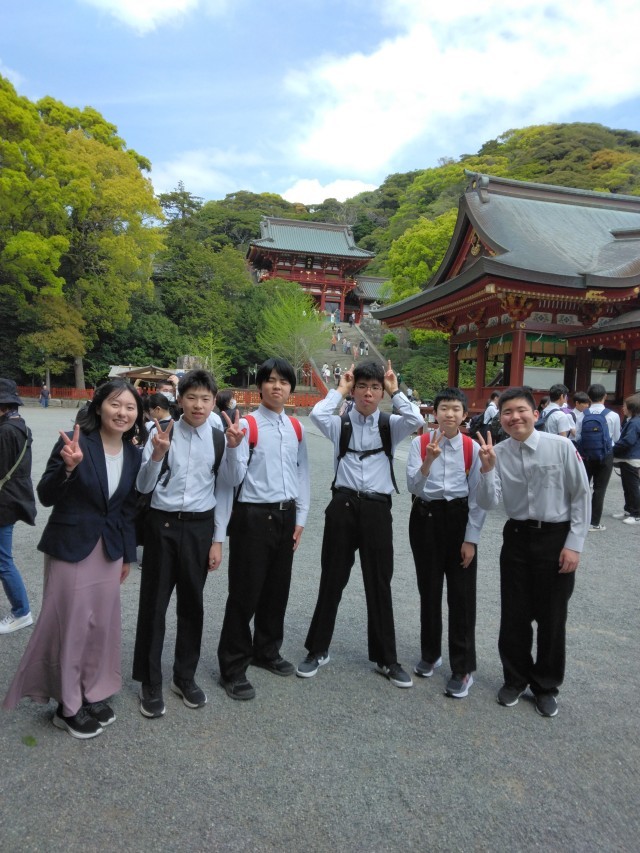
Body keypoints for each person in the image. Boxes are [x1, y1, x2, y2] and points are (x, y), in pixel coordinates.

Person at [3, 379, 146, 739]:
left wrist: (127, 555)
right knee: (70, 626)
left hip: (109, 549)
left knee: (101, 627)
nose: (123, 412)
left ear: (137, 414)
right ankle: (67, 707)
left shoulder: (133, 453)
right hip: (71, 546)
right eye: (115, 404)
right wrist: (67, 468)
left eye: (130, 407)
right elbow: (46, 494)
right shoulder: (74, 441)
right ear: (99, 407)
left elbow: (127, 510)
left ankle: (91, 691)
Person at [296, 360, 423, 688]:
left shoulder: (390, 424)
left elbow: (417, 419)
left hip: (377, 509)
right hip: (343, 505)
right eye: (362, 386)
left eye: (375, 388)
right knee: (332, 578)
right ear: (354, 391)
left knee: (379, 582)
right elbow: (317, 414)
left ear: (382, 392)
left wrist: (395, 391)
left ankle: (386, 658)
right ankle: (317, 650)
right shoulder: (340, 424)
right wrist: (339, 389)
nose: (368, 393)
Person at [132, 370, 243, 719]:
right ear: (179, 400)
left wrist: (217, 540)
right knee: (154, 604)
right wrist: (156, 455)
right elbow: (143, 486)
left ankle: (184, 676)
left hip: (199, 527)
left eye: (205, 399)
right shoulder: (161, 432)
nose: (198, 405)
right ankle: (150, 680)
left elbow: (229, 484)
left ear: (214, 402)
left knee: (192, 605)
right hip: (162, 525)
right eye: (191, 397)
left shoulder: (220, 439)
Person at [476, 387, 589, 718]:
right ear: (501, 419)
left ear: (535, 414)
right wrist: (487, 469)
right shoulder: (497, 453)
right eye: (507, 412)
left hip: (555, 537)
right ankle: (515, 678)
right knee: (514, 614)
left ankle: (546, 685)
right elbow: (488, 502)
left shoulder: (561, 447)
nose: (515, 417)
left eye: (521, 410)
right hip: (517, 537)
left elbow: (581, 495)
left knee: (552, 616)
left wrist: (574, 544)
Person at [217, 358, 310, 700]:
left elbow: (302, 473)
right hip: (253, 516)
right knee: (245, 593)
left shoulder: (296, 427)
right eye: (270, 380)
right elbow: (231, 479)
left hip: (285, 515)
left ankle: (266, 650)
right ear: (259, 386)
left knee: (276, 590)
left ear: (291, 389)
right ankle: (232, 666)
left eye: (283, 381)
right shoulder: (248, 425)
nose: (277, 386)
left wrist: (301, 518)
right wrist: (232, 447)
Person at [406, 388, 486, 699]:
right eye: (443, 408)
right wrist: (428, 460)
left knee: (461, 595)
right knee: (428, 589)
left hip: (458, 519)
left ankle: (463, 667)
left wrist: (471, 539)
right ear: (434, 412)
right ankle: (430, 654)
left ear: (464, 414)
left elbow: (478, 497)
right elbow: (413, 486)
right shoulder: (420, 443)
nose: (449, 414)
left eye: (455, 409)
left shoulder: (472, 448)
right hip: (425, 518)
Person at [0, 379, 36, 634]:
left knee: (3, 561)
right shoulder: (18, 424)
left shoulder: (6, 431)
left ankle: (21, 611)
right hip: (12, 498)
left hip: (4, 501)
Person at [575, 383, 621, 532]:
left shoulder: (582, 415)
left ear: (589, 397)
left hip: (585, 455)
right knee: (600, 489)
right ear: (605, 396)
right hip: (605, 455)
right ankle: (594, 523)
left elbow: (578, 437)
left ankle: (579, 519)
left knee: (583, 487)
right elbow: (616, 437)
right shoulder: (613, 415)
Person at [611, 393, 640, 525]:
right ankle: (629, 510)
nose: (623, 408)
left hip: (631, 458)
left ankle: (636, 514)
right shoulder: (633, 421)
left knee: (632, 487)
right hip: (629, 458)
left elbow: (628, 441)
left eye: (625, 406)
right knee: (627, 486)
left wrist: (613, 448)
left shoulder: (634, 422)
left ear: (631, 408)